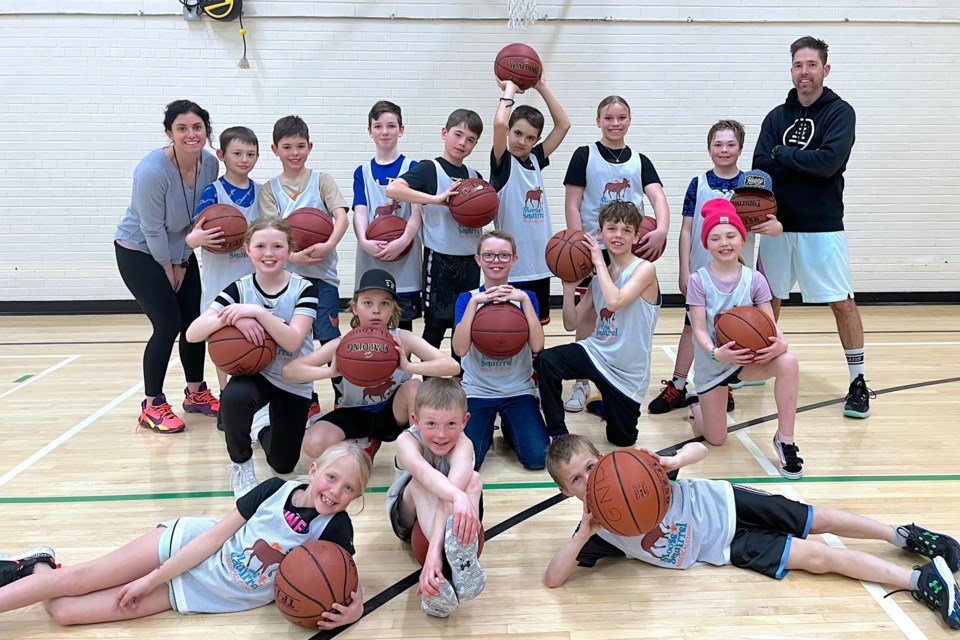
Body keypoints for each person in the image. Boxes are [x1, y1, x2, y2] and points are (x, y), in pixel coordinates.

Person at [543, 434, 960, 631]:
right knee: (818, 558)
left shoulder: (634, 472)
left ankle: (903, 536)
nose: (588, 480)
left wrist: (671, 462)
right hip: (728, 547)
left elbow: (701, 449)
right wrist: (581, 534)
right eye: (576, 480)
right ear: (566, 492)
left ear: (604, 460)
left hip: (729, 502)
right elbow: (553, 579)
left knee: (820, 519)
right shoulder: (599, 532)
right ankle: (921, 580)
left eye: (591, 467)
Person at [0, 442, 371, 630]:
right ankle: (44, 575)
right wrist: (149, 578)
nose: (336, 492)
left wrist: (354, 611)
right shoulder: (272, 490)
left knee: (65, 611)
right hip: (183, 546)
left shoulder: (335, 529)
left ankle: (38, 567)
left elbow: (346, 583)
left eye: (350, 489)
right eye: (332, 477)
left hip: (196, 592)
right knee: (77, 579)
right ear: (314, 469)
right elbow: (212, 540)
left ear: (357, 497)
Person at [752, 36, 871, 419]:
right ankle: (757, 362)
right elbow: (758, 166)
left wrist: (783, 155)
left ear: (825, 69)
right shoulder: (776, 116)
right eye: (798, 65)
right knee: (767, 300)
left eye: (811, 65)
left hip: (822, 226)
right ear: (792, 70)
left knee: (842, 303)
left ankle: (858, 380)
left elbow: (828, 164)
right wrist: (797, 160)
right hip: (776, 226)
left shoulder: (840, 113)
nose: (804, 72)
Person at [648, 121, 783, 416]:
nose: (724, 150)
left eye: (730, 144)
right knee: (690, 329)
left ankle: (725, 385)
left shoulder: (752, 186)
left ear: (741, 148)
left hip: (737, 275)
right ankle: (678, 385)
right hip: (702, 272)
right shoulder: (698, 182)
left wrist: (776, 227)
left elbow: (772, 225)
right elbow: (686, 229)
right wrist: (684, 269)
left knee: (733, 330)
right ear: (709, 148)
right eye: (718, 144)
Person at [185, 218, 317, 498]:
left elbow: (292, 341)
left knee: (283, 465)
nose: (269, 253)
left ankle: (262, 429)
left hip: (293, 377)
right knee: (233, 397)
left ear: (289, 250)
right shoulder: (238, 289)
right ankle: (241, 465)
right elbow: (193, 334)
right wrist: (231, 319)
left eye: (277, 246)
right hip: (258, 374)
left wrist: (255, 313)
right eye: (260, 246)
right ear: (247, 249)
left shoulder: (304, 288)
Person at [114, 99, 220, 434]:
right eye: (182, 128)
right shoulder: (152, 171)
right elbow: (151, 228)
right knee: (168, 322)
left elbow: (199, 214)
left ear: (206, 130)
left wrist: (184, 258)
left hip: (181, 250)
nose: (191, 134)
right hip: (140, 251)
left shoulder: (210, 164)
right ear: (169, 133)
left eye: (197, 127)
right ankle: (152, 405)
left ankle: (196, 393)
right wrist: (169, 266)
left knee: (194, 320)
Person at [283, 268, 460, 463]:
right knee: (313, 444)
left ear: (393, 308)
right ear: (355, 307)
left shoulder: (403, 338)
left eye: (384, 303)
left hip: (392, 413)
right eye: (368, 303)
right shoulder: (340, 344)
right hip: (352, 413)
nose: (376, 310)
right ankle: (362, 442)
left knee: (414, 387)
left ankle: (419, 458)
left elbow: (451, 366)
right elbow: (290, 371)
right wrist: (330, 371)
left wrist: (409, 367)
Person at [561, 95, 670, 412]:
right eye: (608, 117)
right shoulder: (585, 155)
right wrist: (577, 240)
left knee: (626, 314)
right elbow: (572, 202)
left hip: (627, 249)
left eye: (621, 117)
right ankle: (582, 382)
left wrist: (662, 228)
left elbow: (658, 198)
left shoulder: (640, 160)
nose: (615, 123)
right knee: (588, 312)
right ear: (598, 121)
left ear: (629, 120)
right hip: (594, 245)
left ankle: (619, 376)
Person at [686, 200, 802, 479]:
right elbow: (699, 329)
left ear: (742, 238)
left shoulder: (755, 279)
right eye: (715, 238)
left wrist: (781, 343)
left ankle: (785, 440)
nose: (723, 243)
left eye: (730, 236)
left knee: (788, 362)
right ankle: (696, 405)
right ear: (706, 243)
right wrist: (716, 353)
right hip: (714, 364)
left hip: (746, 361)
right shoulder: (698, 281)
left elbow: (771, 326)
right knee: (716, 439)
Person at [534, 201, 660, 447]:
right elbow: (571, 323)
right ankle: (558, 434)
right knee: (546, 361)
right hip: (596, 353)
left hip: (627, 372)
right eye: (612, 229)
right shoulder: (597, 281)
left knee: (621, 440)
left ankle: (605, 405)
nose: (618, 235)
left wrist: (598, 262)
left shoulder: (644, 270)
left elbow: (614, 301)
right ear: (600, 233)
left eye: (626, 230)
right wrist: (568, 289)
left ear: (636, 237)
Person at [258, 115, 350, 419]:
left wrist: (329, 245)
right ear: (275, 149)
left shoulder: (321, 180)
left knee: (330, 339)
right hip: (290, 281)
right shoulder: (269, 189)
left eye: (300, 146)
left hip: (323, 278)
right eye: (287, 147)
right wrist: (292, 258)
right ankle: (306, 397)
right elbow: (272, 231)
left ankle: (342, 395)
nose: (294, 152)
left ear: (310, 147)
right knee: (296, 343)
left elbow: (342, 217)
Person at [385, 109, 485, 356]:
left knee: (463, 326)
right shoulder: (429, 169)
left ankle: (459, 384)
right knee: (435, 327)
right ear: (444, 133)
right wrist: (435, 199)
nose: (462, 143)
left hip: (470, 261)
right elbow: (393, 190)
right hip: (440, 262)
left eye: (470, 139)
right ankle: (430, 384)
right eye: (458, 134)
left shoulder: (476, 177)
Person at [385, 378, 485, 618]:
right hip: (409, 516)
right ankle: (454, 567)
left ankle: (442, 584)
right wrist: (457, 496)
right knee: (423, 482)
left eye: (451, 424)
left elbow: (447, 498)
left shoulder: (464, 444)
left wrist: (432, 555)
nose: (441, 434)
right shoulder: (406, 441)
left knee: (472, 479)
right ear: (415, 421)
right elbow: (426, 476)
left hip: (447, 516)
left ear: (464, 421)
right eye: (431, 424)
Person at [452, 231, 549, 470]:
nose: (496, 261)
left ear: (514, 259)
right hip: (477, 391)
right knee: (470, 463)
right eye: (489, 255)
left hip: (518, 390)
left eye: (503, 255)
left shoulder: (527, 298)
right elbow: (460, 349)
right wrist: (476, 304)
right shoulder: (467, 299)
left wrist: (524, 301)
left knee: (537, 458)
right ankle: (497, 422)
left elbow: (537, 346)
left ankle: (509, 424)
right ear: (478, 259)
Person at [187, 126, 261, 397]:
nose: (244, 159)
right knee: (222, 338)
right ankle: (225, 394)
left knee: (256, 337)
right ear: (222, 155)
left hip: (253, 279)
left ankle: (256, 395)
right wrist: (199, 238)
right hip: (221, 278)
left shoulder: (263, 192)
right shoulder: (212, 192)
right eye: (237, 153)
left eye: (251, 154)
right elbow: (194, 237)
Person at [490, 77, 571, 323]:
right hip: (511, 266)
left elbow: (563, 125)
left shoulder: (535, 158)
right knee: (509, 327)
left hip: (540, 264)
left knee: (536, 327)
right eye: (517, 133)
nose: (521, 141)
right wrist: (510, 89)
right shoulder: (502, 161)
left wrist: (542, 86)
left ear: (536, 141)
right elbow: (500, 122)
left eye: (529, 137)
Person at [353, 100, 423, 332]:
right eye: (378, 126)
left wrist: (403, 240)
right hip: (371, 254)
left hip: (405, 256)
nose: (385, 131)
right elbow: (360, 210)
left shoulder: (414, 168)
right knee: (370, 323)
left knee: (403, 327)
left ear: (401, 130)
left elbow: (417, 213)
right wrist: (363, 240)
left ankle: (404, 369)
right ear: (370, 131)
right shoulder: (361, 172)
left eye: (391, 126)